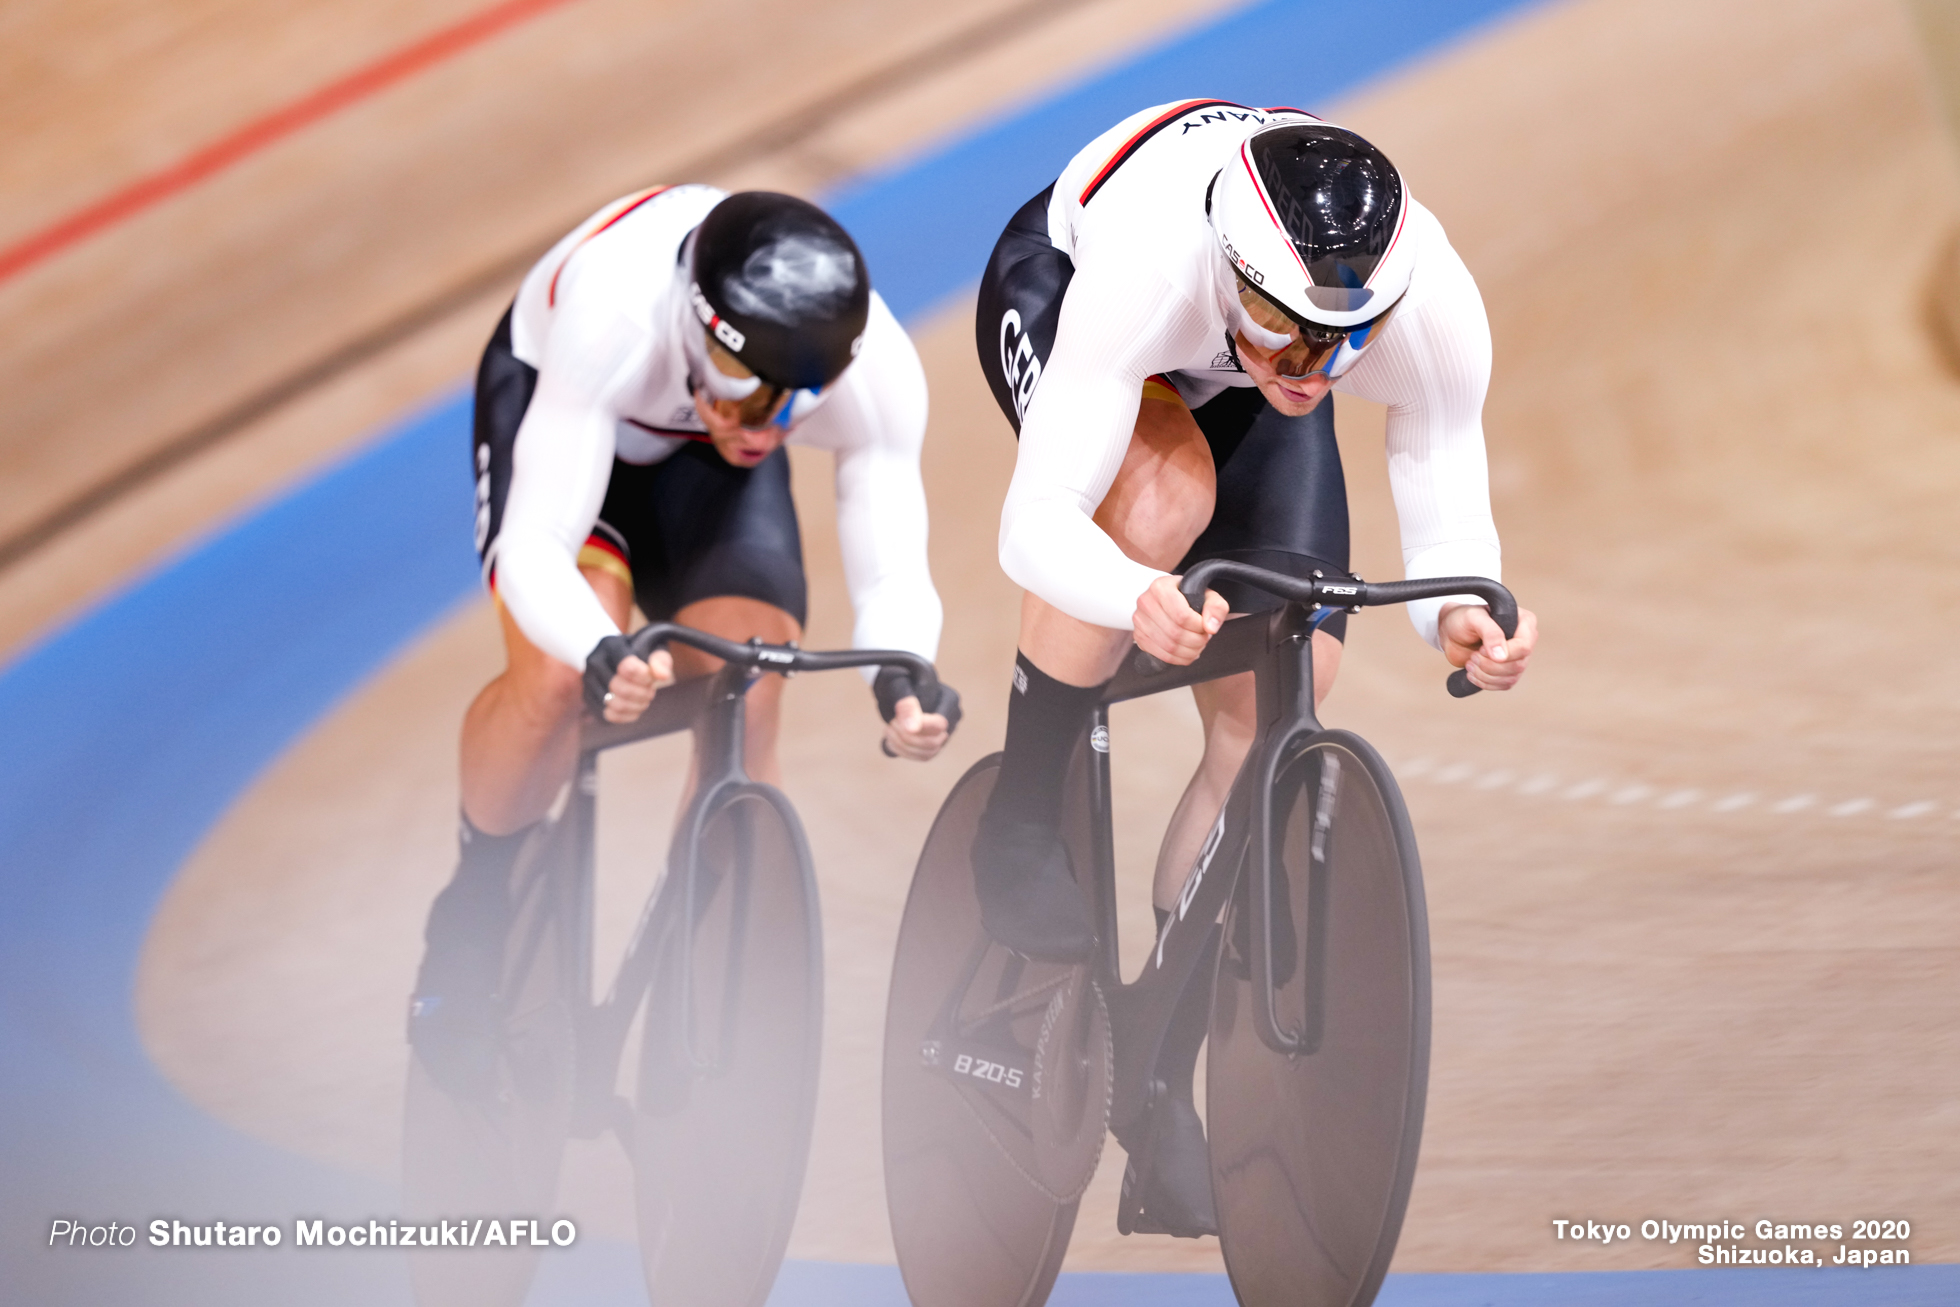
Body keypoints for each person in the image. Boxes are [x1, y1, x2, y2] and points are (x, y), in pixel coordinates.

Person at [972, 102, 1539, 1232]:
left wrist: (1461, 617)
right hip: (1064, 276)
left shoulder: (1399, 304)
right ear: (1239, 275)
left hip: (1225, 352)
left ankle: (1154, 1067)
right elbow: (1034, 524)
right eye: (1295, 334)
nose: (1320, 370)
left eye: (1348, 341)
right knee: (1160, 497)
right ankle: (1022, 813)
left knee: (1295, 669)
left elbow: (1442, 499)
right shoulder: (1148, 273)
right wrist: (1129, 592)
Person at [409, 185, 960, 1094]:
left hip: (696, 468)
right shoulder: (613, 320)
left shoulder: (870, 371)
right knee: (552, 680)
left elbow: (894, 561)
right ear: (698, 328)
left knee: (751, 679)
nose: (763, 426)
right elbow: (533, 551)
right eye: (743, 392)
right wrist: (598, 647)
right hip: (570, 416)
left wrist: (905, 669)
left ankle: (712, 974)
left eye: (791, 407)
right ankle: (470, 911)